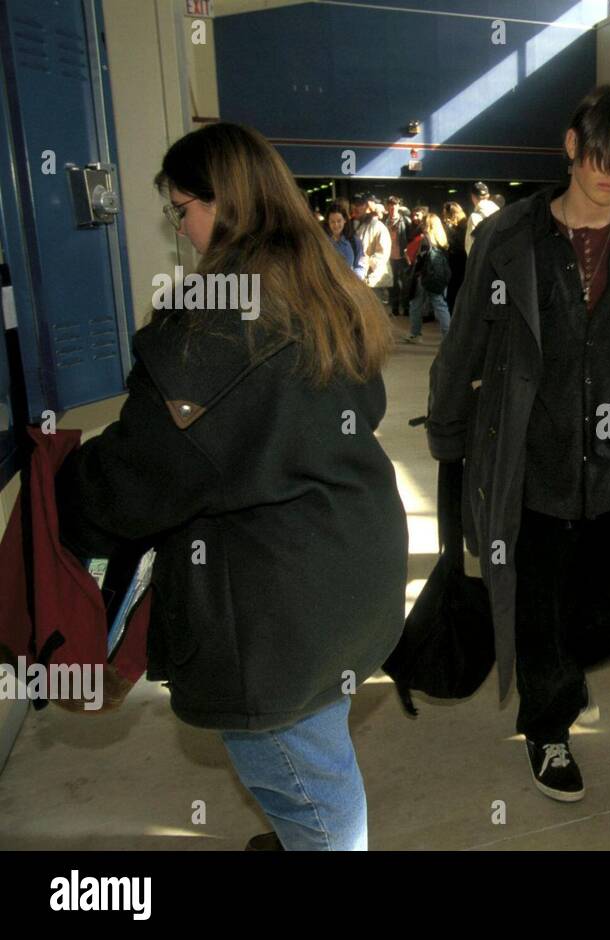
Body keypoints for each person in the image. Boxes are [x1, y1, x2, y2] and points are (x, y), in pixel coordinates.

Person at [54, 122, 407, 851]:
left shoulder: (217, 328)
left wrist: (65, 490)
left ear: (224, 205)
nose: (179, 229)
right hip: (349, 569)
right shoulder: (321, 286)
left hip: (275, 617)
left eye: (181, 208)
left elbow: (138, 480)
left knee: (314, 795)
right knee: (319, 745)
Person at [426, 84, 610, 803]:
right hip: (531, 467)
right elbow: (466, 345)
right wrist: (451, 435)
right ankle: (548, 730)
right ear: (573, 149)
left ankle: (565, 676)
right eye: (602, 155)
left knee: (600, 608)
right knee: (539, 608)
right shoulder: (509, 241)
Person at [405, 213, 453, 342]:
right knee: (440, 305)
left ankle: (415, 334)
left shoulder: (423, 239)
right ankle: (448, 337)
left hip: (423, 277)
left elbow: (413, 256)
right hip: (439, 276)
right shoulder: (442, 239)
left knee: (415, 305)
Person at [352, 193, 392, 304]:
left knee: (374, 315)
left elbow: (382, 254)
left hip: (371, 280)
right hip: (358, 277)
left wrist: (369, 274)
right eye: (355, 204)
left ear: (367, 207)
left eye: (360, 204)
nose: (356, 207)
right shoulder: (355, 225)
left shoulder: (378, 226)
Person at [385, 196, 412, 320]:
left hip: (402, 256)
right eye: (390, 205)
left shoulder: (405, 221)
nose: (392, 207)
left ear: (398, 206)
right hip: (389, 257)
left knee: (405, 284)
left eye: (394, 205)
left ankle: (406, 308)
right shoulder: (385, 221)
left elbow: (410, 238)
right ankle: (395, 308)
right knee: (393, 284)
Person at [324, 201, 366, 279]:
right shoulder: (323, 242)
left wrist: (354, 280)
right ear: (328, 222)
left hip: (350, 286)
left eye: (339, 221)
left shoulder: (354, 242)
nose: (336, 225)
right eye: (332, 222)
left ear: (345, 220)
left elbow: (360, 266)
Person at [442, 200, 468, 311]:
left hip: (459, 261)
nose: (443, 217)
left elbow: (458, 243)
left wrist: (448, 229)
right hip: (456, 261)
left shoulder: (463, 226)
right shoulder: (460, 225)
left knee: (454, 290)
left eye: (445, 214)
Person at [464, 181, 499, 255]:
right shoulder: (499, 211)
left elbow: (470, 247)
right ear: (488, 195)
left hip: (484, 261)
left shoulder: (474, 217)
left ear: (473, 197)